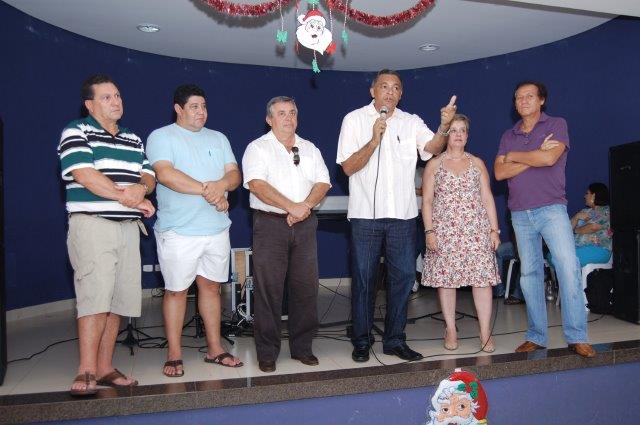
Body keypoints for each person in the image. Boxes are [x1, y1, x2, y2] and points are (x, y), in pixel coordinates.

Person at [336, 69, 455, 362]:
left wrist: (444, 126)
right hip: (366, 216)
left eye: (396, 88)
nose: (390, 92)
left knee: (402, 279)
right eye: (384, 86)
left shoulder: (411, 121)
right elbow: (348, 167)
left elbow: (432, 148)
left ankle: (395, 340)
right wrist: (373, 141)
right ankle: (361, 340)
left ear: (401, 94)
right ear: (372, 91)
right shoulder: (354, 120)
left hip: (402, 216)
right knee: (364, 280)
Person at [58, 74, 156, 396]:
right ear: (89, 104)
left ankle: (104, 367)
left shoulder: (133, 138)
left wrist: (141, 188)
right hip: (93, 224)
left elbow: (149, 175)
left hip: (128, 229)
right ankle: (86, 369)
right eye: (107, 97)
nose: (116, 101)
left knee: (117, 300)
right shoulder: (76, 131)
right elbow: (85, 175)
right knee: (94, 297)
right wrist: (129, 197)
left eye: (118, 96)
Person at [146, 84, 243, 377]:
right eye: (194, 107)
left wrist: (221, 186)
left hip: (216, 228)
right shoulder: (161, 136)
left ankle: (215, 348)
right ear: (178, 109)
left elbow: (234, 175)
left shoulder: (219, 137)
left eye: (204, 106)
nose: (201, 112)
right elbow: (165, 174)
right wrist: (209, 191)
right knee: (176, 291)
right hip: (178, 230)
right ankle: (174, 354)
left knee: (211, 288)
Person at [494, 81, 595, 358]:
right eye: (518, 97)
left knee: (567, 267)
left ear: (541, 100)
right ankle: (536, 336)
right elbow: (500, 173)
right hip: (519, 213)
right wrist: (534, 155)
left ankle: (577, 336)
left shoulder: (557, 124)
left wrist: (514, 157)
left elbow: (550, 159)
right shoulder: (508, 135)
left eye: (529, 96)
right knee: (529, 275)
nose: (523, 101)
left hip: (552, 210)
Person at [242, 96, 331, 373]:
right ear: (269, 119)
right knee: (269, 289)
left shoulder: (309, 148)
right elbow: (257, 185)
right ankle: (267, 352)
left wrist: (304, 207)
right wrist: (291, 206)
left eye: (292, 112)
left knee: (305, 288)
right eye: (281, 113)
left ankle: (302, 347)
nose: (288, 118)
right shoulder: (258, 147)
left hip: (305, 225)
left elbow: (323, 182)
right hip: (270, 225)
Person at [421, 114, 500, 352]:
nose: (458, 134)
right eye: (453, 130)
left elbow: (487, 198)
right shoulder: (434, 164)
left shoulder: (477, 163)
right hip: (444, 233)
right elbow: (427, 201)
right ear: (446, 135)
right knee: (446, 282)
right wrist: (429, 231)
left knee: (482, 281)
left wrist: (494, 230)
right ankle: (451, 329)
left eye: (462, 130)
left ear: (467, 135)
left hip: (476, 232)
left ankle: (484, 331)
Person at [571, 182, 612, 266]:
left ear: (594, 195)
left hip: (598, 249)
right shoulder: (585, 211)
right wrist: (576, 217)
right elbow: (566, 230)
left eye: (587, 193)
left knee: (563, 259)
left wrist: (575, 230)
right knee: (555, 255)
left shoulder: (606, 211)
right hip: (577, 247)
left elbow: (593, 227)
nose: (584, 196)